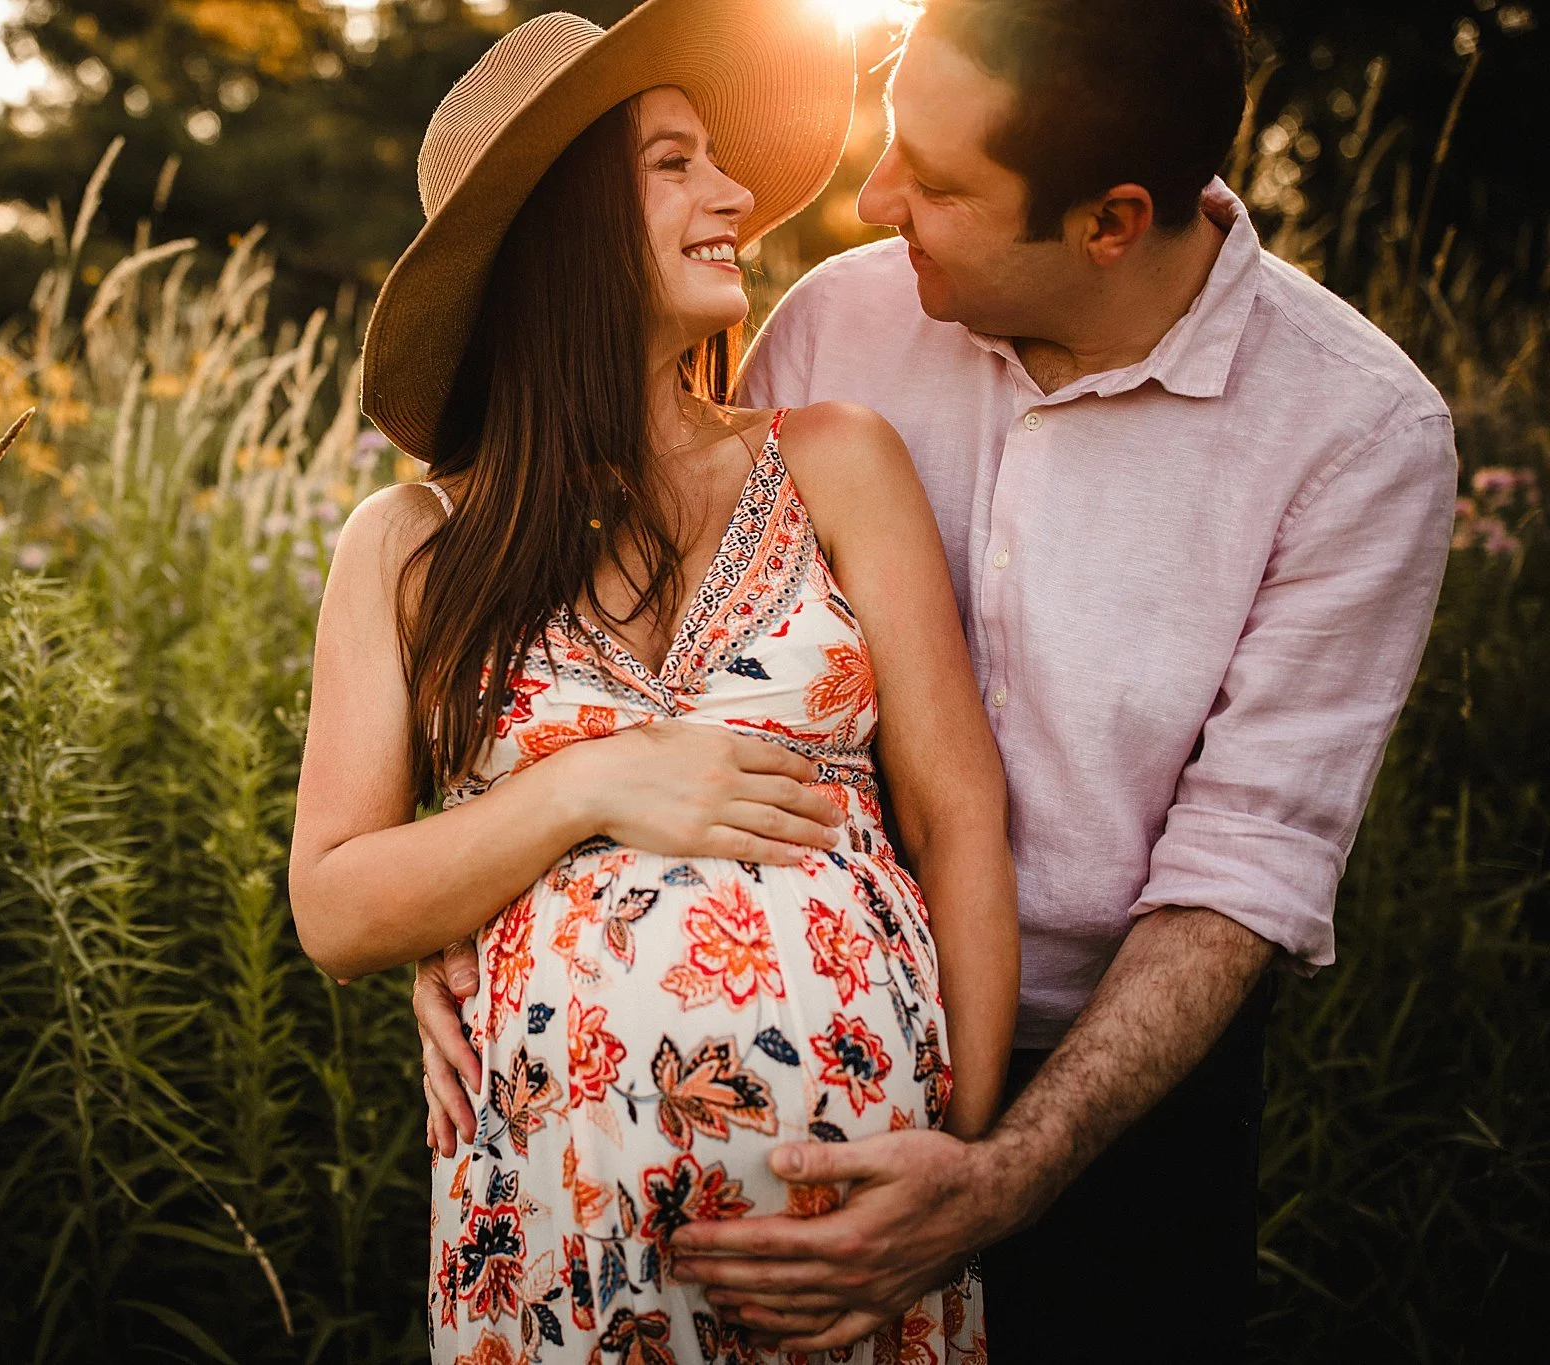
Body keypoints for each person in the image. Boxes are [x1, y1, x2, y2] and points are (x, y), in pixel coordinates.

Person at [412, 0, 1458, 1359]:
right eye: (893, 136)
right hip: (725, 1109)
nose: (874, 194)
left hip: (1120, 1090)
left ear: (1110, 222)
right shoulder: (840, 320)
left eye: (941, 181)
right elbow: (595, 586)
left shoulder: (1356, 436)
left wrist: (1001, 1166)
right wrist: (476, 905)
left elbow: (1240, 877)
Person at [289, 2, 1021, 1361]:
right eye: (675, 162)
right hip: (565, 1240)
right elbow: (334, 904)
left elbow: (962, 817)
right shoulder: (408, 549)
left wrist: (956, 1182)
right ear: (559, 228)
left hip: (863, 1240)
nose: (735, 194)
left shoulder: (835, 461)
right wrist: (589, 787)